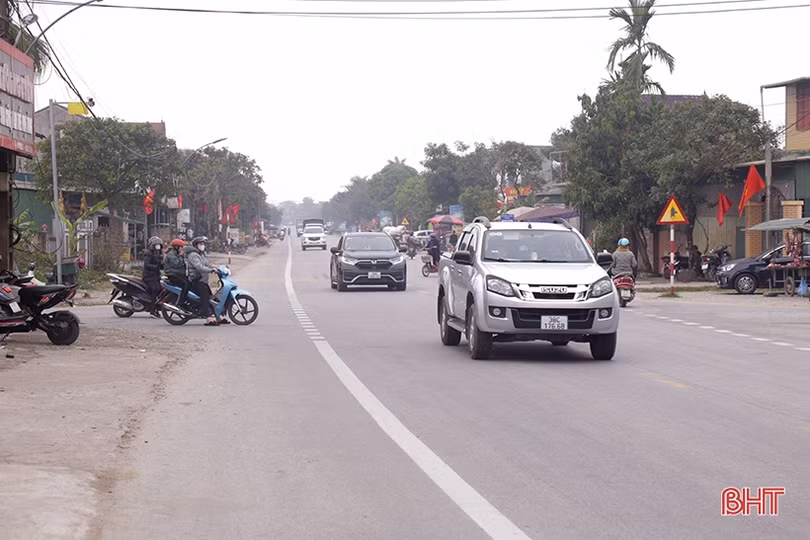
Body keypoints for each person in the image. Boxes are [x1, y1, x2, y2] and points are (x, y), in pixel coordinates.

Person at [186, 236, 228, 326]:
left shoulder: (201, 254)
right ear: (196, 245)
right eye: (200, 244)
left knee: (213, 294)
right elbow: (199, 267)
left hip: (203, 279)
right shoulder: (193, 255)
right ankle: (208, 317)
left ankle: (217, 316)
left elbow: (208, 264)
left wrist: (216, 268)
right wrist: (211, 270)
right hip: (196, 280)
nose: (202, 245)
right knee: (205, 296)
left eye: (203, 244)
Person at [164, 238, 190, 314]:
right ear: (176, 247)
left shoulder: (175, 254)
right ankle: (180, 303)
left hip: (177, 274)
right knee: (185, 284)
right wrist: (181, 256)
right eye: (181, 247)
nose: (182, 249)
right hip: (172, 275)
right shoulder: (171, 254)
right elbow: (176, 264)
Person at [142, 236, 163, 317]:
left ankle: (156, 308)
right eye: (156, 245)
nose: (158, 246)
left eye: (159, 245)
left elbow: (160, 264)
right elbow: (147, 265)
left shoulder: (158, 254)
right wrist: (156, 267)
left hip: (156, 276)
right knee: (155, 289)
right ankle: (152, 310)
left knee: (161, 290)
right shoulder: (148, 254)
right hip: (149, 277)